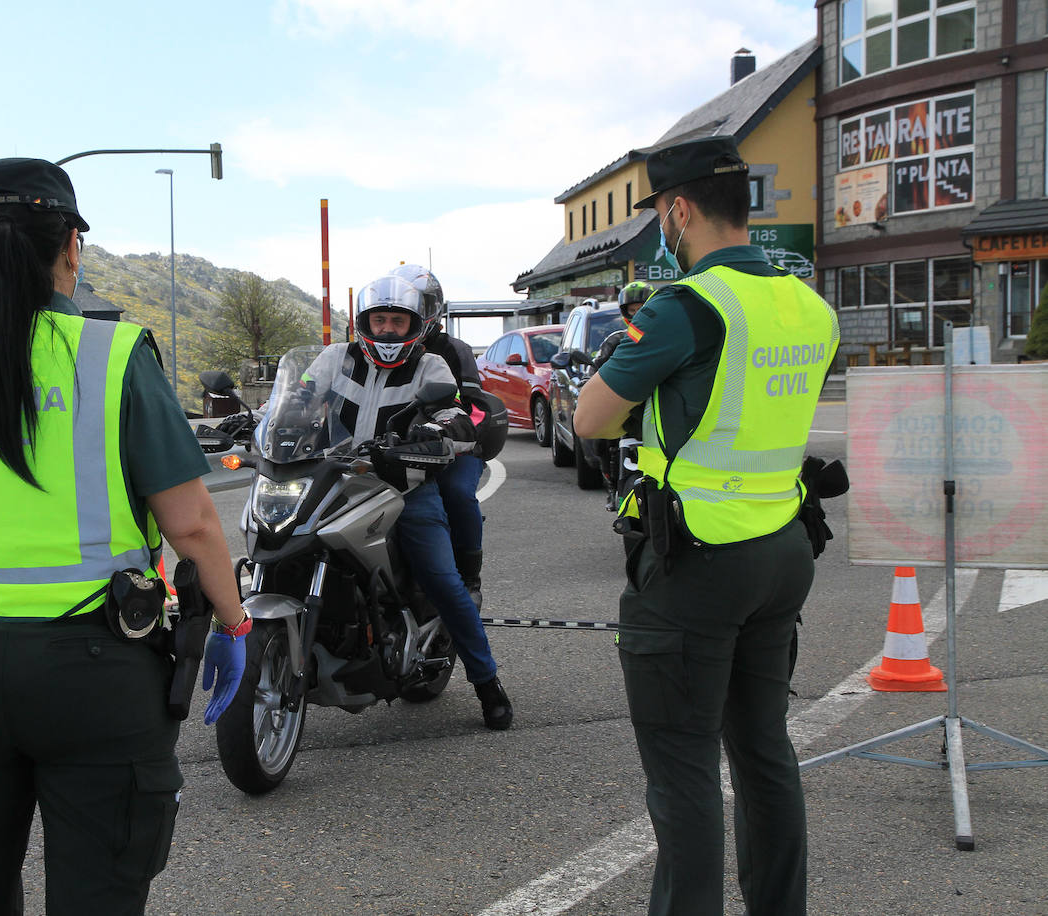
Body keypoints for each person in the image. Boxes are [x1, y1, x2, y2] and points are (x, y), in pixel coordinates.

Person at [0, 157, 249, 915]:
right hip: (98, 673)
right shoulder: (116, 355)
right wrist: (234, 624)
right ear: (71, 246)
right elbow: (191, 522)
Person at [573, 135, 839, 916]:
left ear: (680, 210)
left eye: (659, 211)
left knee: (683, 768)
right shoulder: (807, 304)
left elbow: (590, 419)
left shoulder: (687, 306)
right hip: (784, 549)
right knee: (763, 752)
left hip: (697, 560)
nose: (662, 226)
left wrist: (627, 347)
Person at [303, 274, 513, 730]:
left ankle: (487, 683)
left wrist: (440, 430)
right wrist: (256, 422)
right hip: (334, 482)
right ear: (362, 321)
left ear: (415, 324)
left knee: (442, 580)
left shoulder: (430, 365)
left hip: (405, 486)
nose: (387, 330)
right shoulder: (334, 358)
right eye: (379, 320)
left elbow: (455, 412)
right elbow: (300, 398)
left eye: (397, 321)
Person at [387, 263, 502, 608]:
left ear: (430, 309)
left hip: (453, 448)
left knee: (455, 492)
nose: (403, 314)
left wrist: (449, 433)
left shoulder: (453, 350)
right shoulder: (376, 348)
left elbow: (475, 407)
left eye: (415, 304)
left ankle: (469, 579)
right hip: (393, 448)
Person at [586, 280, 654, 511]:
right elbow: (595, 373)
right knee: (601, 443)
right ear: (625, 312)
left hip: (656, 408)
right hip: (623, 408)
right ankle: (613, 486)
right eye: (632, 310)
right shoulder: (615, 341)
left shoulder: (665, 337)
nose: (637, 313)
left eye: (642, 307)